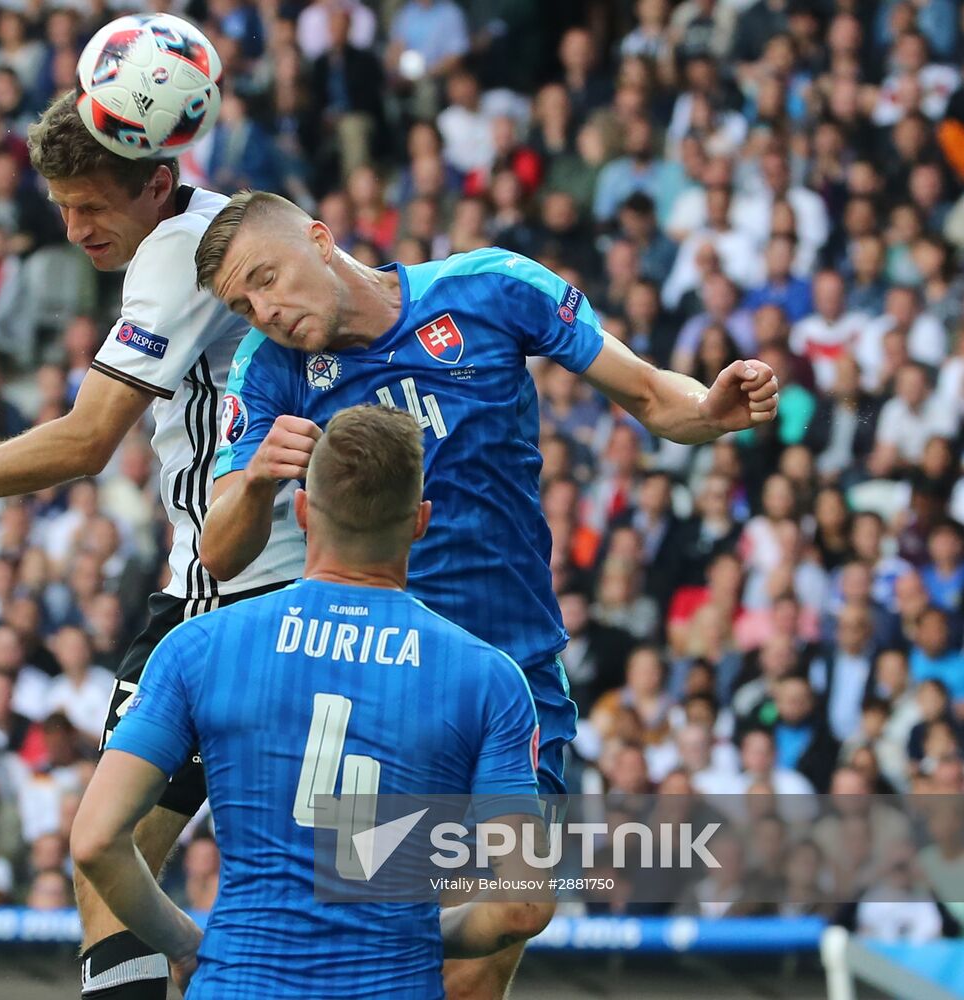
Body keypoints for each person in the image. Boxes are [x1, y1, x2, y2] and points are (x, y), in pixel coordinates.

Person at [194, 190, 778, 994]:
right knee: (371, 944)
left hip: (516, 669)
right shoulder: (269, 372)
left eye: (267, 277)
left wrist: (710, 410)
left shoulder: (491, 287)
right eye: (242, 303)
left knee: (503, 931)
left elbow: (650, 395)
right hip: (376, 680)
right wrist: (256, 481)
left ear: (320, 240)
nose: (264, 311)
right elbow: (218, 552)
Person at [0, 91, 304, 999]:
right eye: (63, 209)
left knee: (107, 862)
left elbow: (83, 444)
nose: (75, 230)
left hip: (228, 600)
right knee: (352, 886)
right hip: (327, 590)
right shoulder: (250, 229)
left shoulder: (172, 256)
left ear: (158, 183)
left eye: (92, 208)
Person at [73, 405, 551, 998]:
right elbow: (523, 906)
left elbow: (95, 839)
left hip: (239, 979)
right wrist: (412, 934)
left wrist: (188, 942)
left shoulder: (199, 647)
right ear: (421, 521)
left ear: (300, 512)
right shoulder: (489, 678)